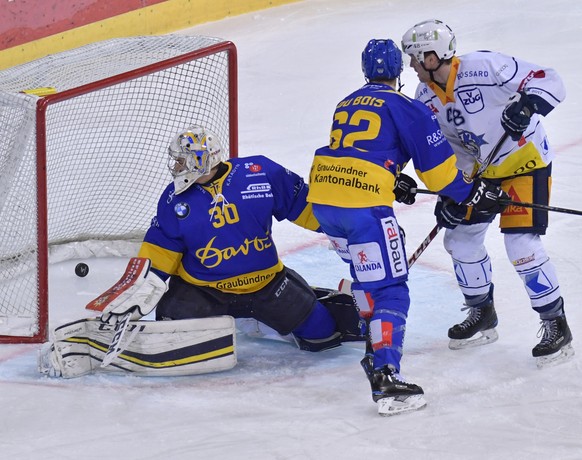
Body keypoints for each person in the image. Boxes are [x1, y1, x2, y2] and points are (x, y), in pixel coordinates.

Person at [41, 125, 366, 378]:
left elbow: (307, 208)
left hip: (267, 285)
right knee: (171, 330)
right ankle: (249, 320)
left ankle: (266, 320)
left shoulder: (261, 173)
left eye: (182, 159)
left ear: (200, 161)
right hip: (203, 292)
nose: (175, 165)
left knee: (322, 337)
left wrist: (352, 224)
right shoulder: (174, 200)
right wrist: (133, 299)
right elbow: (158, 256)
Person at [307, 39, 508, 415]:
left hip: (324, 201)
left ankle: (374, 342)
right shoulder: (406, 106)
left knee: (366, 279)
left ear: (365, 70)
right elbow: (439, 172)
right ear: (398, 71)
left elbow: (362, 150)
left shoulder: (346, 101)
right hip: (362, 208)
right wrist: (472, 193)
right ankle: (385, 376)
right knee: (392, 291)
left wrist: (393, 177)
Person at [401, 19, 574, 368]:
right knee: (460, 241)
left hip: (525, 162)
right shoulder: (425, 97)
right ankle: (482, 314)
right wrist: (453, 193)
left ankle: (556, 324)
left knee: (521, 245)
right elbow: (450, 149)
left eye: (416, 59)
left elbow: (550, 80)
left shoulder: (485, 67)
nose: (412, 66)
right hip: (481, 174)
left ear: (433, 58)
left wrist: (528, 107)